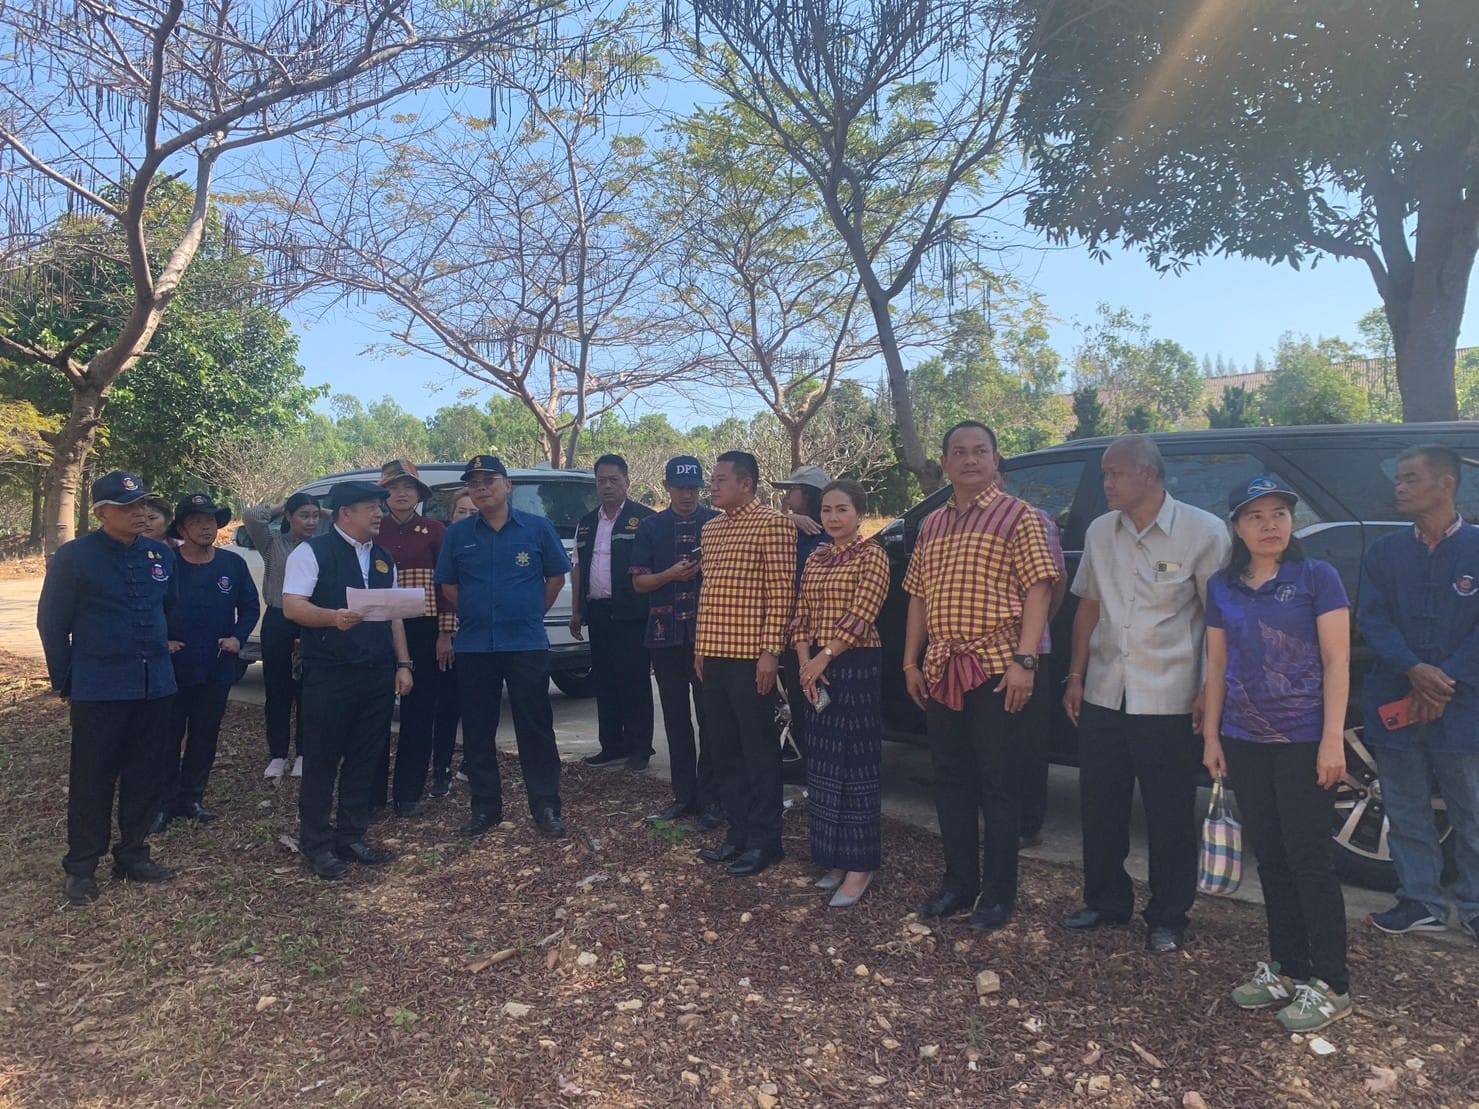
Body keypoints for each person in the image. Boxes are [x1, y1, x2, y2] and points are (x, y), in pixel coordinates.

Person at [1061, 435, 1229, 955]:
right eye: (1105, 473)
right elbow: (1088, 606)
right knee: (1101, 803)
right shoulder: (1099, 531)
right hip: (1107, 691)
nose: (1105, 483)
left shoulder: (1203, 531)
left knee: (1169, 811)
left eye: (1115, 474)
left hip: (1171, 695)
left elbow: (1218, 621)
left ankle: (1168, 915)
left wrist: (1208, 689)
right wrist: (1075, 675)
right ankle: (1106, 900)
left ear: (1149, 475)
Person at [1203, 476, 1353, 1032]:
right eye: (1256, 516)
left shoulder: (1318, 577)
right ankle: (1288, 967)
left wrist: (1333, 738)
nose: (1270, 525)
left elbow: (1338, 662)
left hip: (1305, 739)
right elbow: (1217, 666)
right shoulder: (1223, 586)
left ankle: (1332, 982)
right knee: (1269, 855)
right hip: (1244, 739)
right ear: (1237, 528)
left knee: (1308, 856)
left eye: (1279, 514)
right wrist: (1212, 736)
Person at [903, 422, 1059, 931]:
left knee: (999, 781)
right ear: (945, 463)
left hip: (998, 668)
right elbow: (919, 597)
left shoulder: (1022, 518)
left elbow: (1040, 590)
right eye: (958, 452)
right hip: (942, 666)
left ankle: (998, 894)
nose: (970, 460)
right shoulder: (931, 525)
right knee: (950, 778)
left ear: (996, 459)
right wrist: (911, 661)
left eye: (980, 451)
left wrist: (1025, 660)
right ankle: (958, 883)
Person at [37, 471, 180, 904]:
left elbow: (167, 608)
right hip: (99, 687)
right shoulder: (74, 557)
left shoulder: (159, 555)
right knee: (92, 778)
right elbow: (52, 622)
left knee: (145, 774)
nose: (139, 513)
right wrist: (66, 680)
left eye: (142, 505)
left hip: (154, 686)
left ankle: (133, 854)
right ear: (101, 513)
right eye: (127, 507)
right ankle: (82, 866)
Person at [1358, 444, 1479, 943]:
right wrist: (1413, 669)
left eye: (1411, 479)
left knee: (1471, 808)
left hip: (1465, 703)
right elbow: (1373, 618)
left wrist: (1444, 679)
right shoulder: (1386, 552)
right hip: (1396, 697)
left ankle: (1473, 907)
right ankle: (1420, 900)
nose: (1400, 488)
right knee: (1405, 807)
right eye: (1399, 480)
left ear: (1446, 484)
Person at [435, 455, 572, 839]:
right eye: (474, 482)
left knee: (536, 727)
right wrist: (479, 614)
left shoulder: (537, 529)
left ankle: (546, 806)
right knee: (478, 730)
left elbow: (555, 579)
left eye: (488, 480)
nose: (481, 488)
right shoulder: (459, 535)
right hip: (476, 645)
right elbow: (448, 586)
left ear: (507, 486)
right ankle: (485, 808)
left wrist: (526, 614)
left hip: (525, 643)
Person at [282, 481, 413, 881]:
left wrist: (403, 663)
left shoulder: (383, 557)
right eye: (370, 507)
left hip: (375, 672)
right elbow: (293, 606)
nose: (379, 514)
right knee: (322, 759)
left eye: (380, 507)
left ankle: (351, 836)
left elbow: (393, 614)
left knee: (365, 757)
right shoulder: (312, 552)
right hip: (330, 673)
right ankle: (317, 844)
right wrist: (332, 618)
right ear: (345, 514)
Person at [694, 450, 797, 878]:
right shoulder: (712, 529)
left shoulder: (773, 526)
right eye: (712, 480)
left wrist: (771, 653)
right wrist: (699, 649)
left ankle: (765, 841)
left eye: (720, 480)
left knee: (758, 752)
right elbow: (709, 592)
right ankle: (736, 834)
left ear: (746, 483)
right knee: (724, 750)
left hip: (751, 659)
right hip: (713, 656)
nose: (712, 487)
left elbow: (781, 592)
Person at [793, 480, 890, 907]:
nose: (834, 518)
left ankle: (860, 865)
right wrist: (804, 664)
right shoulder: (815, 557)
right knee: (824, 766)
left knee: (855, 766)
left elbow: (862, 615)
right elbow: (801, 615)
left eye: (842, 510)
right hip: (814, 666)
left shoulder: (874, 556)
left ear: (859, 514)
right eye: (828, 510)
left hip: (854, 664)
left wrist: (824, 658)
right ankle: (833, 858)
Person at [157, 494, 260, 829]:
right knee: (168, 736)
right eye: (196, 521)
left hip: (216, 665)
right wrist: (162, 641)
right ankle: (164, 803)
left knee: (205, 735)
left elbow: (249, 607)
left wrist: (238, 638)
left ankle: (192, 798)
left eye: (211, 520)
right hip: (174, 667)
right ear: (182, 528)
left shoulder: (232, 565)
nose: (205, 527)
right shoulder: (166, 564)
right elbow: (148, 608)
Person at [631, 456, 721, 825]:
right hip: (665, 636)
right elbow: (638, 583)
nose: (687, 494)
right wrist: (669, 575)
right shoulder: (651, 527)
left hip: (708, 638)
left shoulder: (716, 523)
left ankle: (712, 799)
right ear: (666, 487)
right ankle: (683, 797)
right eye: (680, 487)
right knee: (675, 719)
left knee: (711, 719)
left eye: (693, 487)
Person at [371, 460, 454, 818]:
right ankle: (371, 796)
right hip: (377, 628)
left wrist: (445, 632)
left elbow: (448, 584)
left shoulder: (435, 530)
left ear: (420, 495)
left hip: (424, 629)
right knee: (374, 714)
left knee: (419, 714)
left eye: (409, 488)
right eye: (393, 488)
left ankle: (408, 794)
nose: (401, 494)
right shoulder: (372, 529)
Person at [996, 471, 1067, 849]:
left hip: (1027, 653)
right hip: (979, 656)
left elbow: (1055, 583)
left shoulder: (1034, 519)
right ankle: (999, 817)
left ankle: (1026, 825)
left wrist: (1034, 631)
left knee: (1026, 742)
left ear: (1001, 476)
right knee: (996, 745)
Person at [571, 454, 655, 771]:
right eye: (601, 480)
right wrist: (577, 610)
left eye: (614, 480)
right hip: (598, 611)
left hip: (632, 613)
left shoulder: (644, 519)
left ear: (627, 482)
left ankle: (639, 750)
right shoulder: (586, 522)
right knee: (603, 682)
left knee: (633, 681)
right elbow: (578, 568)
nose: (607, 486)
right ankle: (611, 746)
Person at [242, 492, 323, 778]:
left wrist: (323, 513)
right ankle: (277, 754)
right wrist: (282, 505)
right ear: (289, 517)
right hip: (278, 619)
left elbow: (341, 519)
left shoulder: (321, 548)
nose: (311, 522)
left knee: (308, 689)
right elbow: (252, 516)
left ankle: (303, 753)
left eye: (315, 515)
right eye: (304, 515)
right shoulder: (273, 543)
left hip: (311, 620)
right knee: (277, 689)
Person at [773, 464, 832, 770]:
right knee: (798, 701)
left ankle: (820, 769)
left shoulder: (827, 535)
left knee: (817, 703)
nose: (787, 496)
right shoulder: (791, 528)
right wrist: (787, 520)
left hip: (820, 638)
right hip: (792, 636)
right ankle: (807, 765)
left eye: (792, 491)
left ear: (808, 494)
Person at [429, 490, 477, 797]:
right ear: (451, 515)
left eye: (474, 512)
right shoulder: (448, 543)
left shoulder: (490, 543)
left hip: (482, 639)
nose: (468, 517)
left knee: (477, 706)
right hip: (452, 636)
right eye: (462, 511)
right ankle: (441, 770)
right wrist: (445, 634)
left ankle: (472, 764)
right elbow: (441, 591)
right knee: (446, 707)